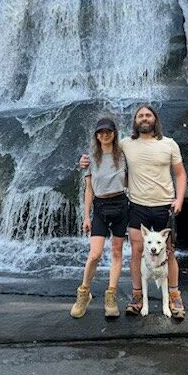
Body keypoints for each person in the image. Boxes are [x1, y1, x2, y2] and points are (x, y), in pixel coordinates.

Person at [80, 104, 187, 319]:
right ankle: (137, 295)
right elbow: (102, 149)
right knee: (137, 251)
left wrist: (180, 199)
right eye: (140, 116)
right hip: (137, 206)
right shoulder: (125, 145)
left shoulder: (169, 144)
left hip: (165, 205)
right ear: (135, 121)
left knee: (169, 251)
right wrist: (84, 161)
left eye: (148, 115)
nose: (144, 118)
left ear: (155, 119)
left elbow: (180, 174)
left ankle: (174, 294)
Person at [70, 117, 129, 319]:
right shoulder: (90, 159)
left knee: (116, 251)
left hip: (121, 204)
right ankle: (84, 292)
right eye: (101, 132)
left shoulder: (123, 154)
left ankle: (111, 295)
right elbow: (89, 190)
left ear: (114, 133)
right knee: (94, 254)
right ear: (96, 135)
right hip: (100, 207)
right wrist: (86, 216)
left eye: (108, 131)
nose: (105, 135)